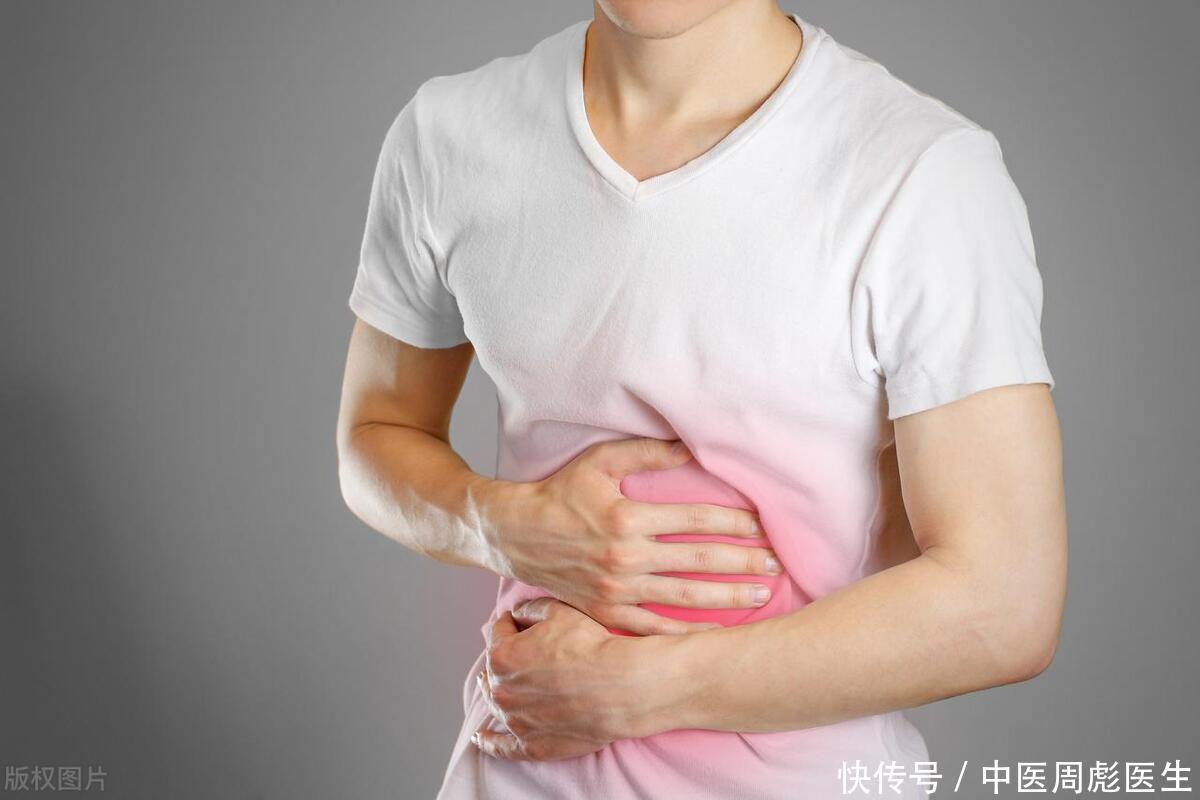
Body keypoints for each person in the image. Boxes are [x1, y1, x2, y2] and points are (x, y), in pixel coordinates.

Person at [335, 1, 1068, 797]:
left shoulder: (921, 172)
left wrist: (644, 689)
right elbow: (376, 431)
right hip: (513, 769)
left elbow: (1006, 604)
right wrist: (501, 525)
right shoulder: (449, 135)